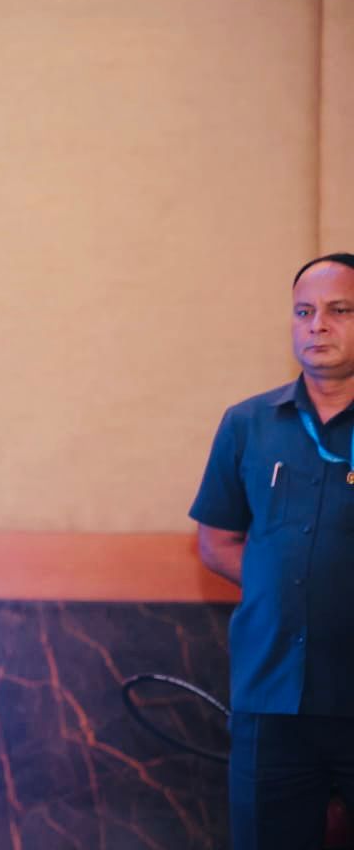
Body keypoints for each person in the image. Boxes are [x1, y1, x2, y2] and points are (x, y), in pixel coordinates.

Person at [191, 252, 354, 849]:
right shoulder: (248, 424)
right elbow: (217, 543)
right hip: (273, 695)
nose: (318, 325)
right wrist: (280, 585)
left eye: (340, 311)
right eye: (304, 312)